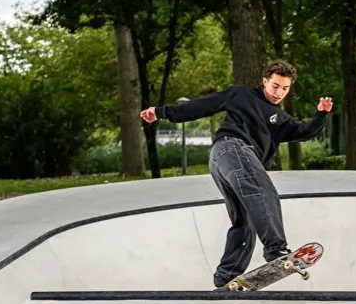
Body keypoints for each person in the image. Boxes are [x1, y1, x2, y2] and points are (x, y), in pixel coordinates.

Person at [140, 60, 333, 288]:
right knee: (262, 191)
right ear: (264, 81)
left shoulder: (281, 119)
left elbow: (304, 131)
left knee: (246, 218)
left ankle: (226, 274)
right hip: (230, 148)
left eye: (285, 88)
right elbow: (203, 105)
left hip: (225, 162)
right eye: (274, 86)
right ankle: (276, 248)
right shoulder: (240, 95)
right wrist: (162, 112)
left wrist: (321, 115)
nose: (278, 93)